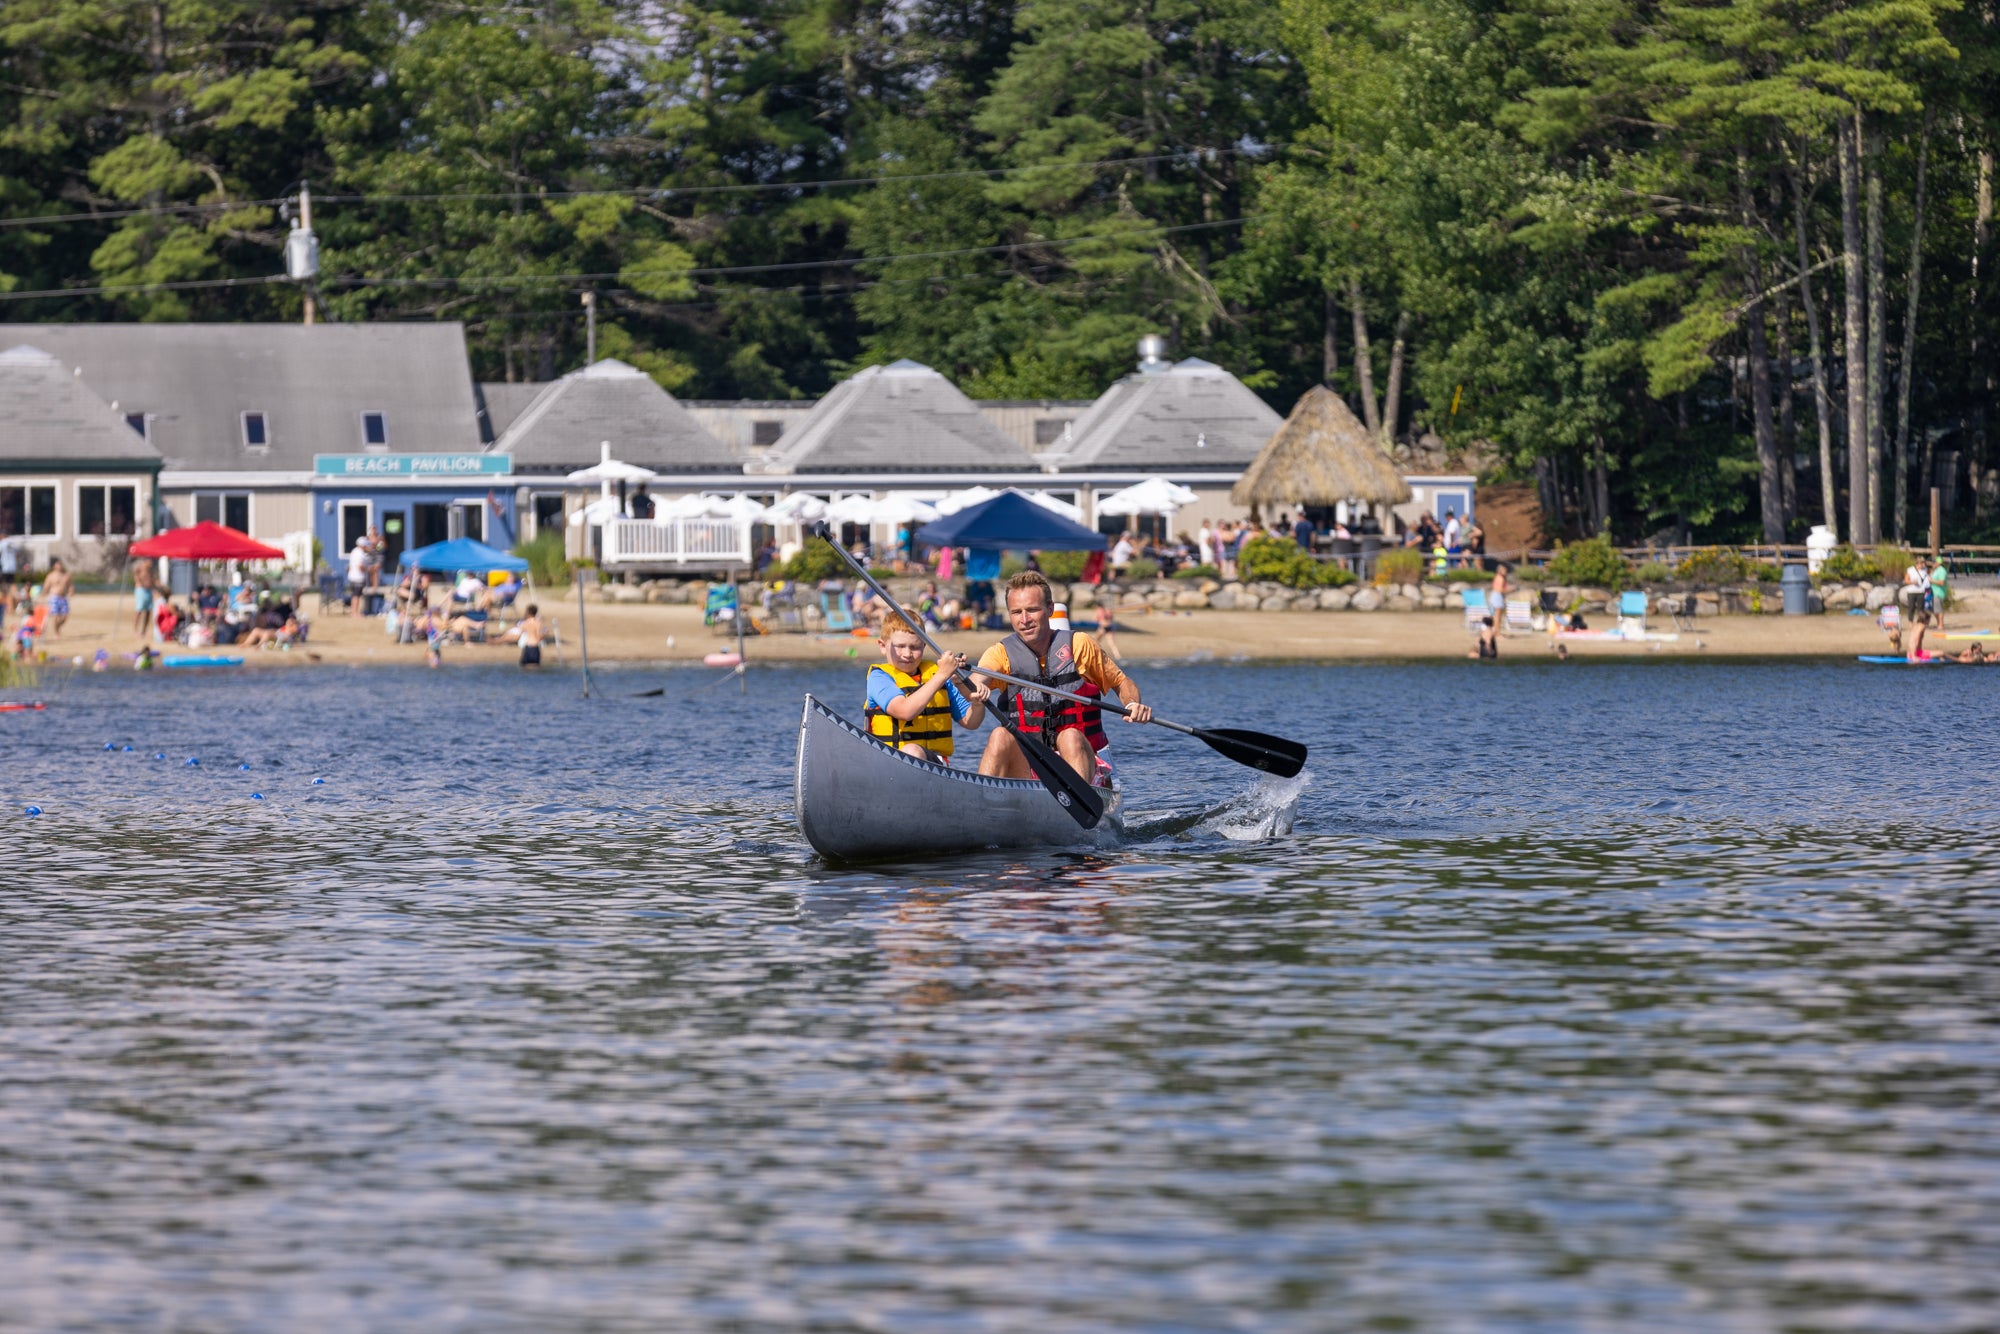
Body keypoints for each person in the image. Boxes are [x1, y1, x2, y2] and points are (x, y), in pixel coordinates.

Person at [976, 571, 1150, 784]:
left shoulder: (1079, 645)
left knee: (1069, 736)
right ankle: (982, 804)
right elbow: (978, 680)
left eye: (1032, 610)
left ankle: (1078, 804)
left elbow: (1121, 682)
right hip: (1029, 765)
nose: (1024, 620)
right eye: (1016, 612)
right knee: (999, 735)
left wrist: (1133, 703)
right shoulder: (1000, 653)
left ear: (1049, 609)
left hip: (1082, 762)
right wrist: (970, 685)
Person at [865, 614, 988, 764]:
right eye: (900, 646)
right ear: (883, 646)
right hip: (887, 763)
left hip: (934, 764)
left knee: (912, 752)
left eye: (915, 647)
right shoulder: (879, 678)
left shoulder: (937, 676)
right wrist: (942, 674)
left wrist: (977, 704)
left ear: (923, 646)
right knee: (911, 751)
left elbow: (971, 723)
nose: (907, 654)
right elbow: (905, 711)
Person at [502, 603, 544, 668]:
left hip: (527, 647)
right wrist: (545, 635)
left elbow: (518, 636)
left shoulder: (525, 623)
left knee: (525, 668)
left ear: (528, 612)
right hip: (535, 647)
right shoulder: (538, 623)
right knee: (535, 668)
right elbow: (539, 637)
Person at [41, 559, 71, 637]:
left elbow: (70, 586)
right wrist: (43, 594)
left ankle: (58, 627)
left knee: (65, 617)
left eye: (60, 565)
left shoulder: (65, 576)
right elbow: (46, 586)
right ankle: (56, 632)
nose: (59, 566)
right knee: (55, 616)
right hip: (54, 597)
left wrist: (71, 592)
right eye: (57, 565)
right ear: (54, 566)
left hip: (63, 597)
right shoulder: (51, 576)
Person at [346, 534, 371, 616]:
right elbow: (360, 566)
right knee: (357, 595)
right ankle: (355, 613)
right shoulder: (361, 554)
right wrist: (367, 570)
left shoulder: (354, 551)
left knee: (354, 595)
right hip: (358, 577)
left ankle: (353, 611)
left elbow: (349, 566)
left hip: (351, 576)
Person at [132, 560, 159, 636]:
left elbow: (152, 580)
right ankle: (135, 630)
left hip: (149, 590)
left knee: (148, 611)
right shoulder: (140, 568)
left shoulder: (150, 570)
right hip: (141, 590)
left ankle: (144, 631)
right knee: (139, 610)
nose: (151, 564)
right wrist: (141, 582)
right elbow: (136, 576)